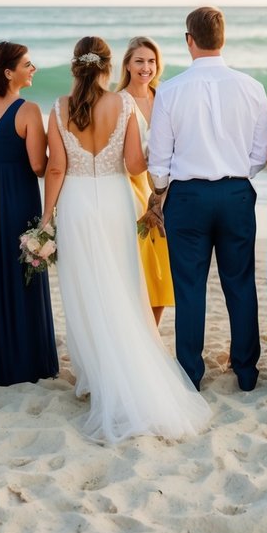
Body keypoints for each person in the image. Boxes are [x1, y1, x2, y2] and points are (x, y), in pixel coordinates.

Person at [40, 36, 209, 443]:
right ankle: (127, 365)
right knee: (122, 284)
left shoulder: (59, 108)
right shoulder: (125, 104)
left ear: (74, 66)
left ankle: (97, 375)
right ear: (107, 66)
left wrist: (47, 218)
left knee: (86, 289)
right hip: (117, 202)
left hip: (77, 204)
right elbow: (136, 164)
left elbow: (56, 169)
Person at [147, 7, 267, 392]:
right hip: (235, 193)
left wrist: (162, 187)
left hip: (187, 196)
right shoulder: (252, 87)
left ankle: (190, 373)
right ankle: (246, 371)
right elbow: (260, 153)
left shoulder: (169, 89)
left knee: (189, 287)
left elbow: (158, 160)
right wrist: (236, 174)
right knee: (240, 282)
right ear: (223, 38)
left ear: (189, 40)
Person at [0, 42, 58, 389]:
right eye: (27, 64)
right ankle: (27, 363)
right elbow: (37, 166)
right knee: (24, 272)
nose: (33, 69)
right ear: (9, 72)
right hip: (19, 196)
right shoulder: (29, 110)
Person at [116, 35, 175, 325]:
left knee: (162, 266)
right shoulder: (118, 102)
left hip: (168, 189)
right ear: (127, 65)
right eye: (139, 61)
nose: (146, 67)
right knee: (141, 262)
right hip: (133, 188)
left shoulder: (165, 95)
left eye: (151, 61)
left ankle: (152, 331)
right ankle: (136, 329)